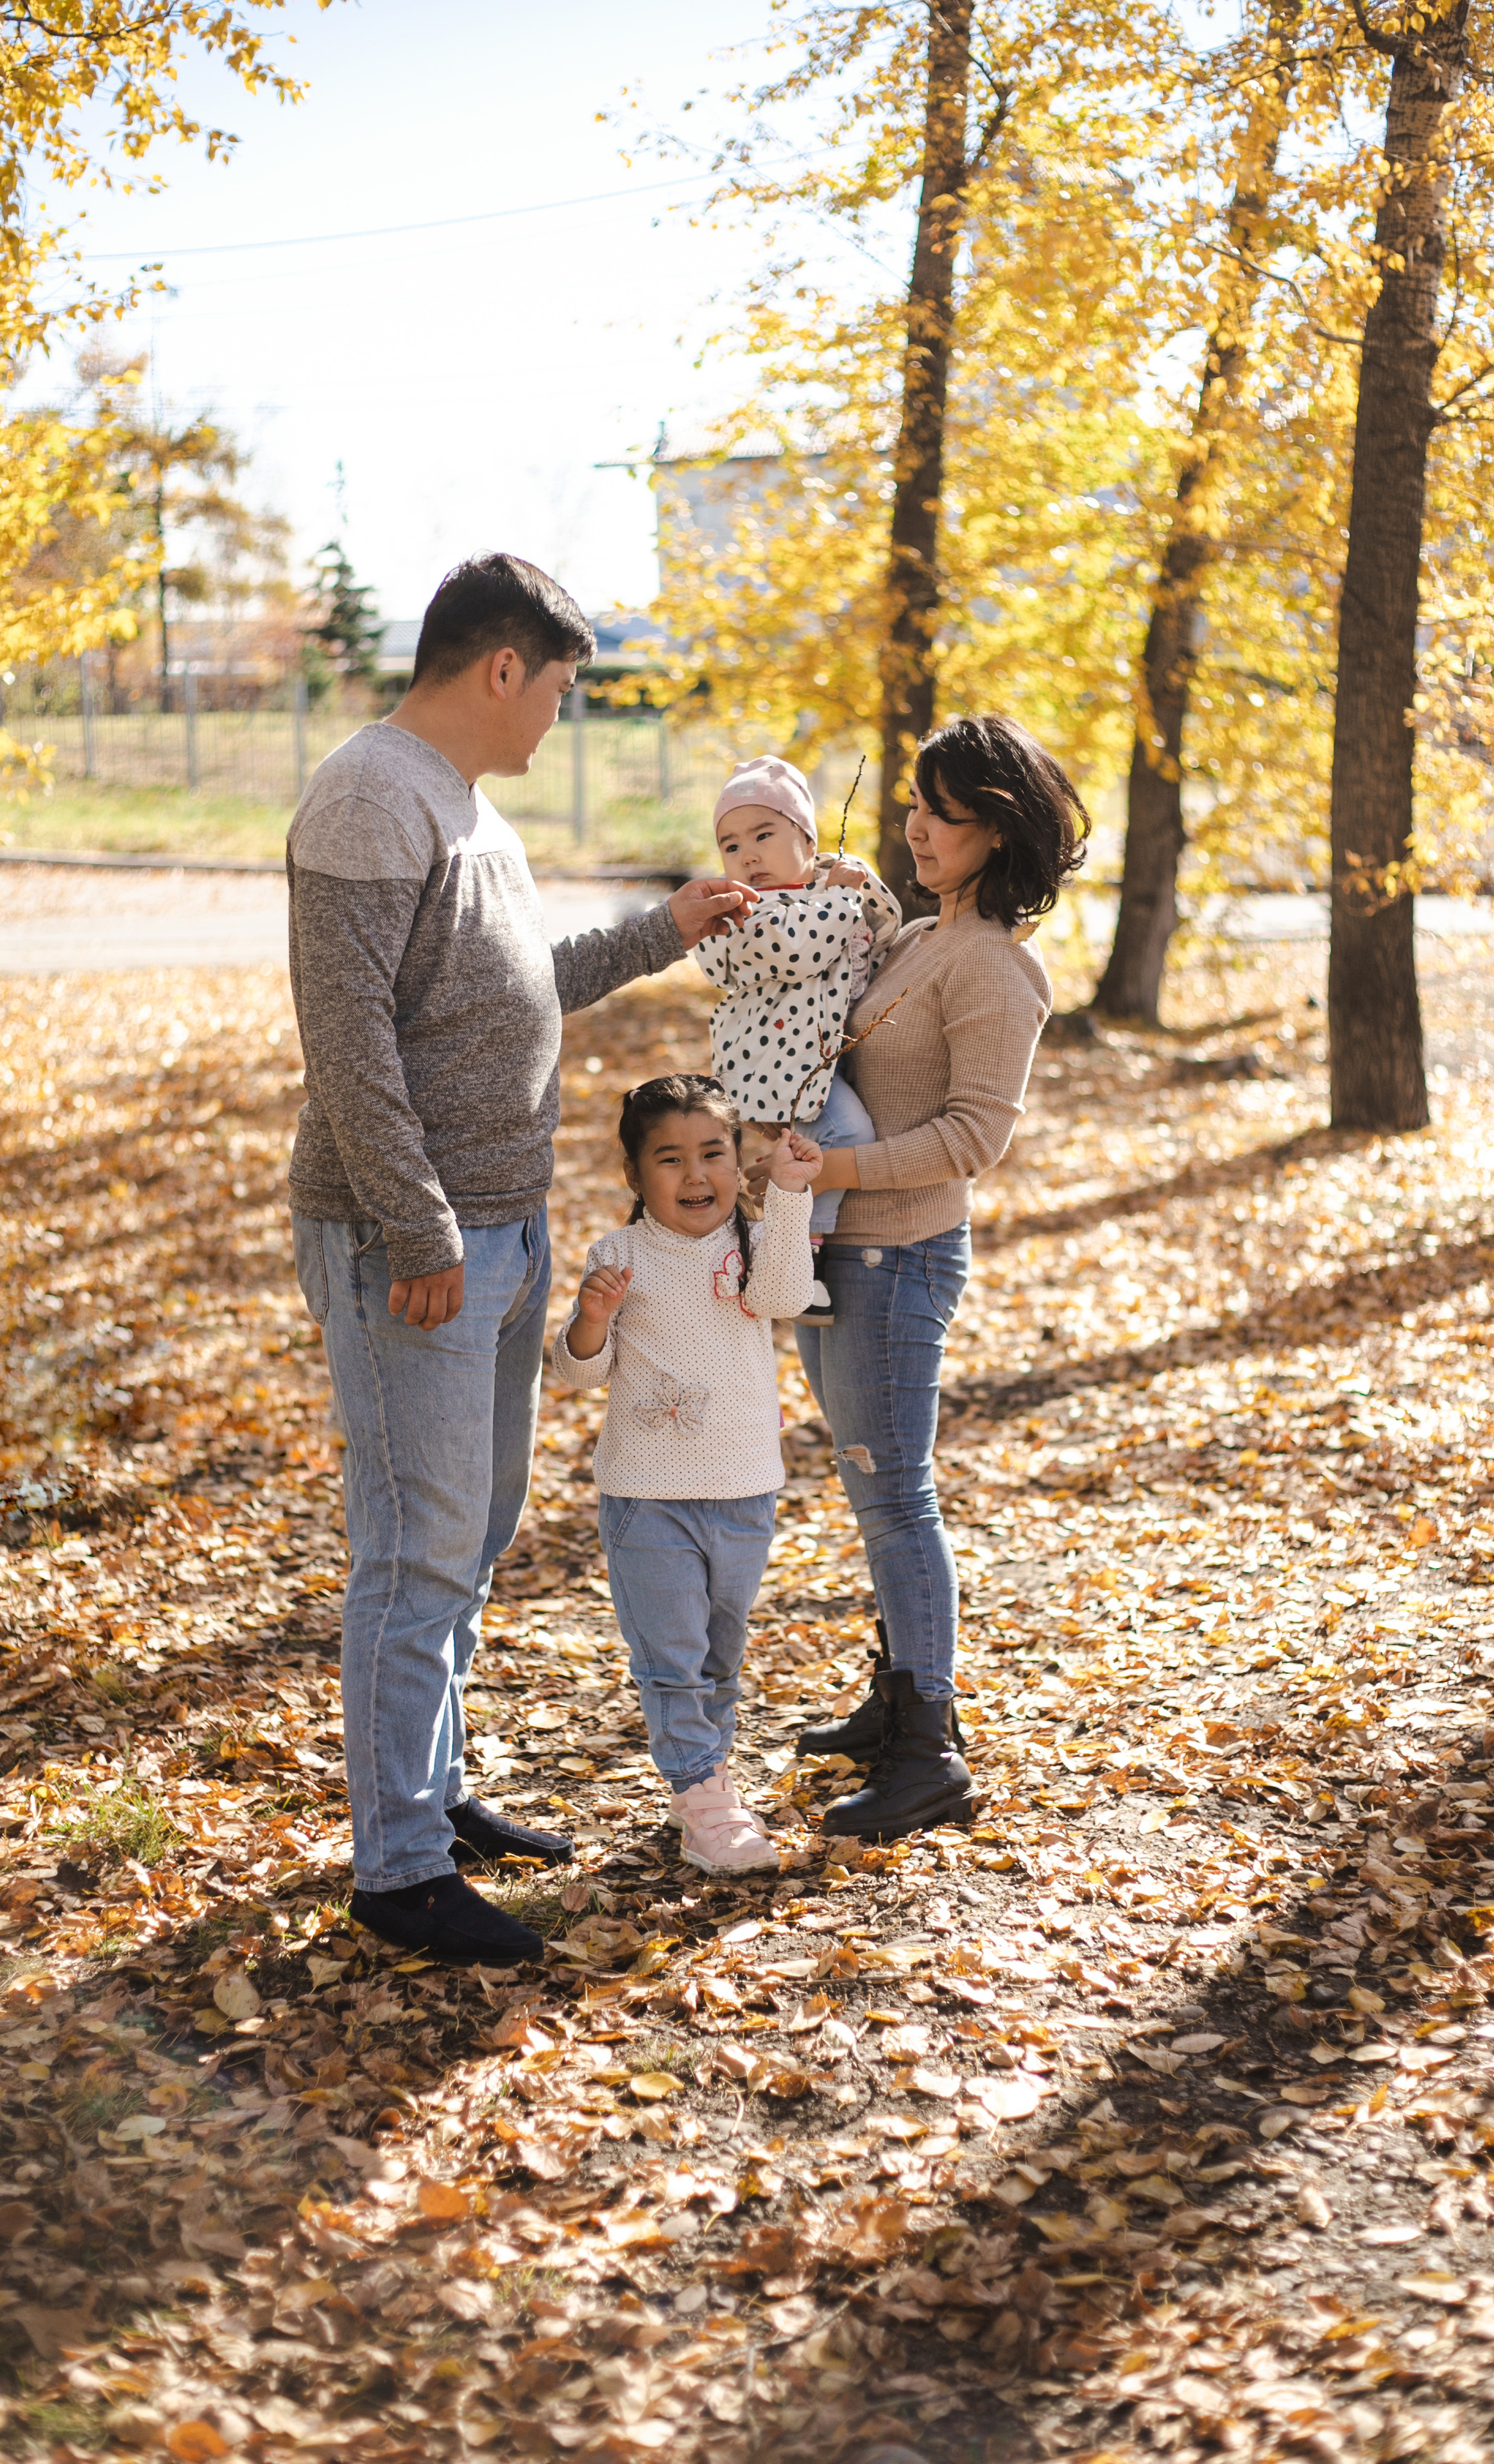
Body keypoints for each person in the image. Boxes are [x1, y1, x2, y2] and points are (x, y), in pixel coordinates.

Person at [285, 553, 756, 1965]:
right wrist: (417, 1224)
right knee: (415, 1549)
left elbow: (513, 994)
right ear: (503, 669)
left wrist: (663, 932)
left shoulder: (467, 810)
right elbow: (349, 1036)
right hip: (410, 1238)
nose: (559, 715)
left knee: (470, 1536)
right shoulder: (369, 794)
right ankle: (398, 1870)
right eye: (558, 686)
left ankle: (431, 1792)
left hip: (500, 1226)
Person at [774, 715, 1089, 1842]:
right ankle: (895, 1693)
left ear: (995, 832)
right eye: (912, 803)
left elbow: (973, 1138)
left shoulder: (999, 968)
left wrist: (835, 1167)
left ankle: (930, 1752)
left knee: (899, 1493)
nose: (915, 825)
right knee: (871, 1490)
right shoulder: (919, 937)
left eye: (939, 813)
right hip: (837, 1247)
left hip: (901, 1256)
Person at [551, 1076, 819, 1873]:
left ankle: (707, 1781)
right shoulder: (619, 1255)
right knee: (671, 1658)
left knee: (718, 1656)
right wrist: (590, 1321)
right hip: (647, 1498)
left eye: (714, 1154)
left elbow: (784, 1296)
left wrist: (793, 1196)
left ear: (740, 1163)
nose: (695, 1175)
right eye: (669, 1160)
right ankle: (703, 1798)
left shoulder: (758, 1244)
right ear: (635, 1176)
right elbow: (577, 1376)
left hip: (744, 1489)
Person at [695, 755, 899, 1324]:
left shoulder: (820, 893)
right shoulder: (743, 911)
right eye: (731, 845)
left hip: (809, 1060)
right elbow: (798, 948)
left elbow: (885, 925)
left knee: (804, 1151)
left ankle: (778, 1253)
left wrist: (849, 879)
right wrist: (837, 896)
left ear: (807, 839)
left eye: (764, 834)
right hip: (769, 1064)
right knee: (846, 1133)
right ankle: (795, 1261)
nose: (749, 855)